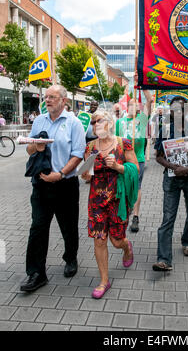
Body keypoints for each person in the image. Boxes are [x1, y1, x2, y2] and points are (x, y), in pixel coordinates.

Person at [20, 85, 86, 293]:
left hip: (64, 183)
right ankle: (36, 273)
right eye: (46, 97)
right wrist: (36, 146)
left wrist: (61, 173)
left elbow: (78, 154)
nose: (47, 100)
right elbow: (30, 148)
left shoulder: (74, 123)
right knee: (38, 227)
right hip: (40, 183)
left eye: (52, 97)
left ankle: (70, 257)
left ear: (63, 101)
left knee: (68, 226)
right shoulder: (39, 120)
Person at [81, 110, 139, 298]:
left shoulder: (123, 143)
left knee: (116, 240)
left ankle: (126, 246)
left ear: (109, 123)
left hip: (117, 199)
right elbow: (87, 174)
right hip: (96, 201)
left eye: (99, 121)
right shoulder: (90, 147)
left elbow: (135, 171)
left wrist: (117, 166)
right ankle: (104, 281)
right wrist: (85, 175)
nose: (95, 124)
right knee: (99, 240)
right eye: (93, 122)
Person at [152, 97, 188, 271]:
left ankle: (187, 242)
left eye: (181, 109)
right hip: (171, 178)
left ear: (187, 111)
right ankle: (164, 259)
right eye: (174, 109)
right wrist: (172, 166)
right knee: (168, 217)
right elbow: (158, 156)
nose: (177, 112)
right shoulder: (165, 130)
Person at [116, 82, 152, 233]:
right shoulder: (120, 122)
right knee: (123, 186)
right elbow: (116, 141)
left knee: (136, 186)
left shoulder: (142, 120)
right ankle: (125, 211)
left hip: (138, 159)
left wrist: (142, 84)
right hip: (123, 160)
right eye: (130, 104)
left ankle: (135, 217)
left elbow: (149, 100)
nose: (133, 107)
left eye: (136, 105)